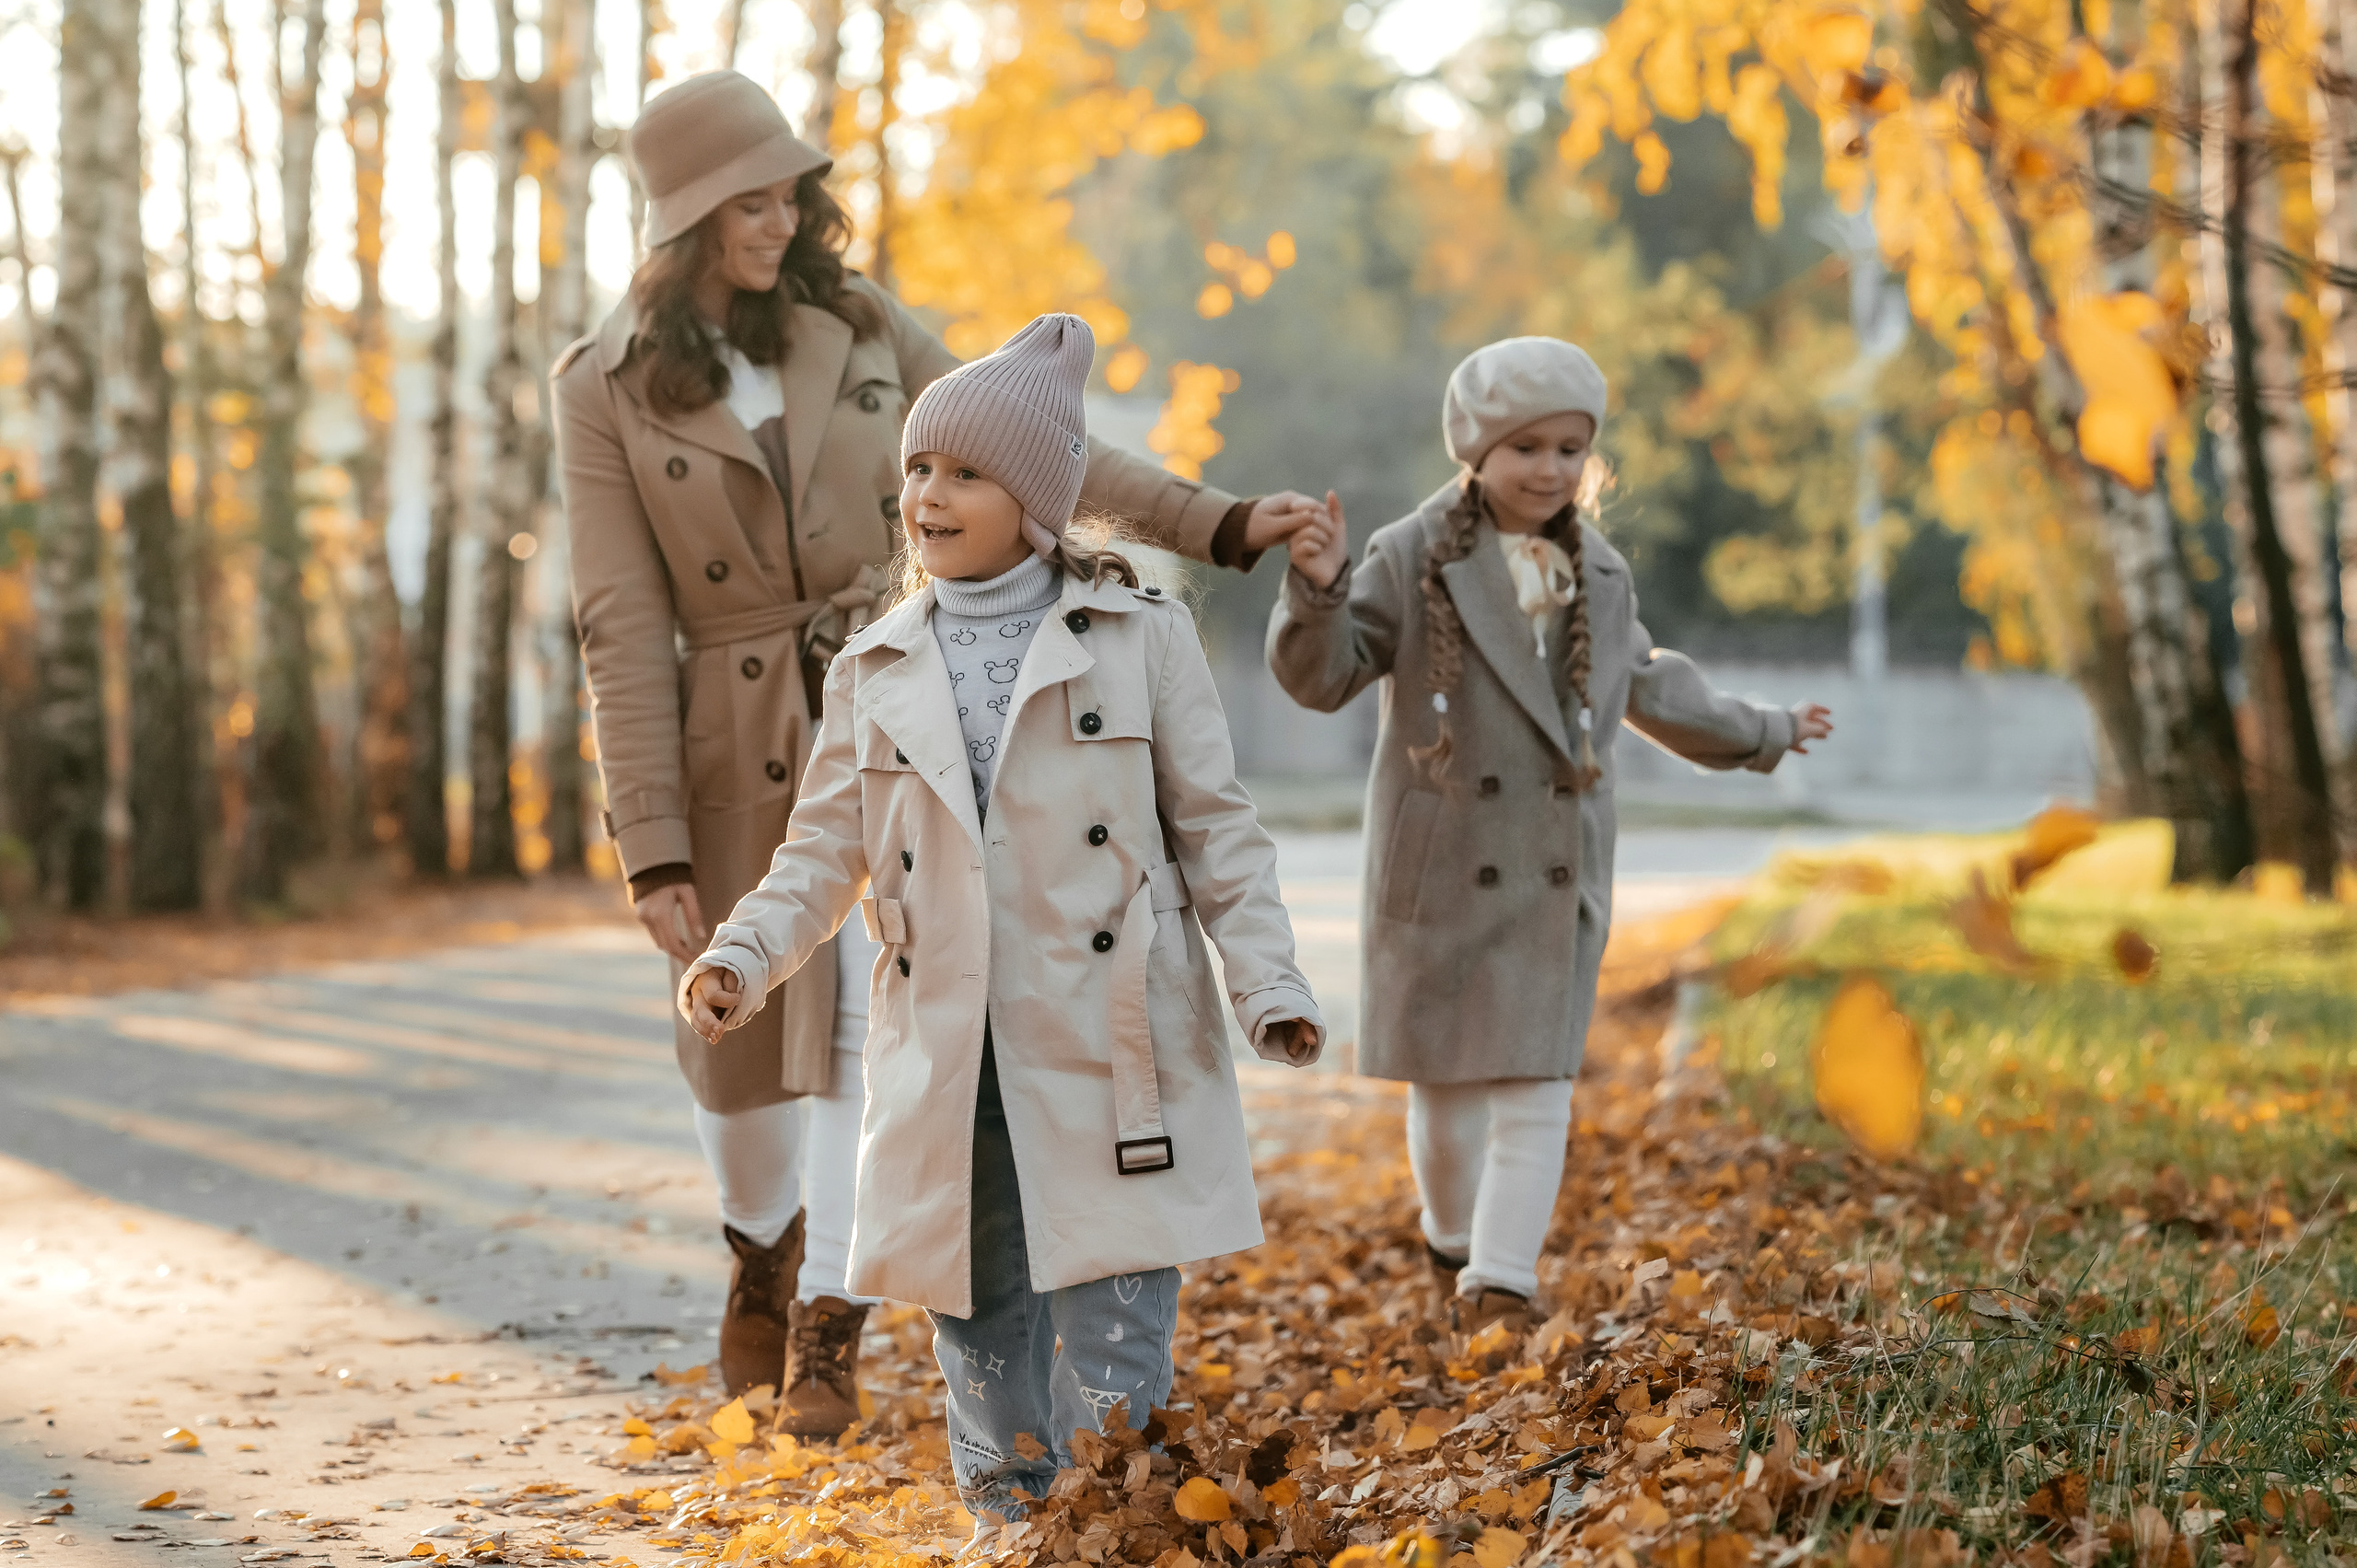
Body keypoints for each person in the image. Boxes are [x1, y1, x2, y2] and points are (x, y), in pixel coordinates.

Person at [550, 71, 1324, 1432]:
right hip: (732, 727)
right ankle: (761, 1243)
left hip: (898, 676)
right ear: (685, 218)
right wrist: (651, 840)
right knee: (735, 1071)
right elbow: (618, 619)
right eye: (751, 198)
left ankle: (832, 1326)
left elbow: (1024, 440)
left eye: (793, 190)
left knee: (879, 1024)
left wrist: (1217, 521)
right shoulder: (602, 387)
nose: (782, 218)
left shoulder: (855, 323)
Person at [678, 313, 1322, 1524]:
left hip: (1106, 1035)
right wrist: (744, 953)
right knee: (975, 1305)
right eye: (918, 467)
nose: (928, 491)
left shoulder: (1141, 639)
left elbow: (1219, 831)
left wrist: (1270, 984)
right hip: (947, 1045)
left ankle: (1113, 1516)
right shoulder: (873, 663)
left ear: (1034, 497)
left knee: (1114, 1298)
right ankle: (1005, 1518)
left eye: (965, 470)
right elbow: (822, 848)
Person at [1266, 336, 1833, 1334]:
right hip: (1441, 866)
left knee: (1535, 1085)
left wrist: (1765, 729)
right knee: (1444, 1098)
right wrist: (1315, 586)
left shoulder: (1598, 571)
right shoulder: (1411, 553)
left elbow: (1649, 684)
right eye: (1526, 446)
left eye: (1571, 448)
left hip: (1550, 872)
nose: (1550, 469)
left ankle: (1500, 1282)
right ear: (1475, 451)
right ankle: (1451, 1239)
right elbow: (1325, 675)